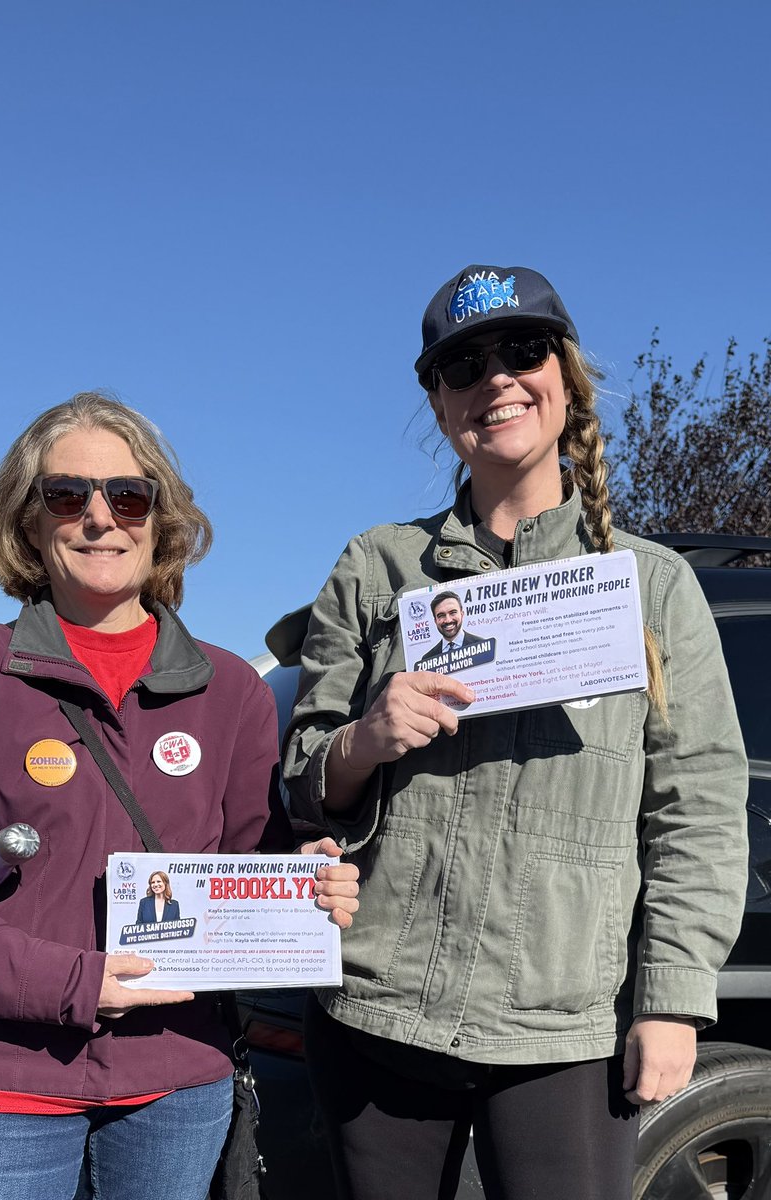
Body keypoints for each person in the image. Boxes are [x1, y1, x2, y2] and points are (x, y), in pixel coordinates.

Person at [280, 265, 749, 1200]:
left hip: (565, 1027)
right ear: (438, 398)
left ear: (565, 374)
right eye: (463, 365)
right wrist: (362, 740)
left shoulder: (652, 584)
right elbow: (300, 782)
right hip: (380, 1008)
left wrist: (672, 1000)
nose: (496, 379)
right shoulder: (378, 566)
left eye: (522, 351)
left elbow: (695, 808)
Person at [0, 392, 359, 1200]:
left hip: (178, 1078)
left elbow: (250, 862)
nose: (101, 517)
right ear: (29, 521)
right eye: (68, 495)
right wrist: (70, 985)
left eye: (128, 495)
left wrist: (304, 884)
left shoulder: (231, 688)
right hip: (2, 1079)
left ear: (162, 519)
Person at [413, 591, 482, 671]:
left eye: (453, 613)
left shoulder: (481, 644)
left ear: (462, 614)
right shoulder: (427, 659)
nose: (448, 620)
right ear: (435, 621)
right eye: (441, 616)